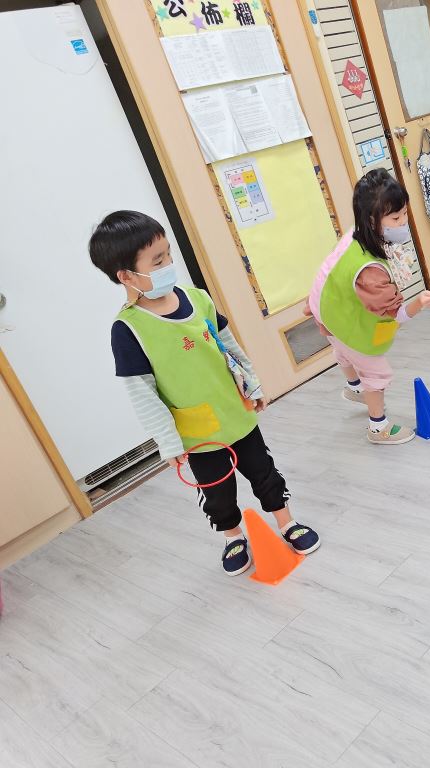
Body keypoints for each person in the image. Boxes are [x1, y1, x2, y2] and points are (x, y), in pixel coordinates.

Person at [89, 211, 320, 576]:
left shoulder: (197, 299)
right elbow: (143, 394)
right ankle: (232, 537)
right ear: (126, 276)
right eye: (158, 261)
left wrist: (253, 384)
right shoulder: (128, 330)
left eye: (168, 254)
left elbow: (229, 346)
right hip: (198, 436)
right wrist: (168, 442)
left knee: (264, 472)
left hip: (237, 413)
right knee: (217, 493)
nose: (169, 264)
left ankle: (287, 522)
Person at [308, 169, 430, 444]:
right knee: (377, 373)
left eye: (404, 213)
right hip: (340, 319)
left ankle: (354, 387)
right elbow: (396, 315)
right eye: (396, 218)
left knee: (341, 350)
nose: (403, 222)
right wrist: (420, 302)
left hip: (325, 308)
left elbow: (331, 269)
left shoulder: (354, 235)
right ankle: (378, 428)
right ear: (371, 219)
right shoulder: (370, 272)